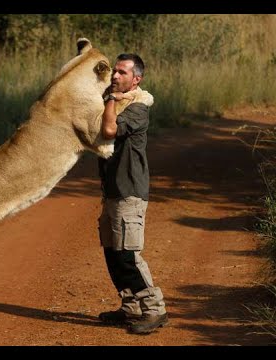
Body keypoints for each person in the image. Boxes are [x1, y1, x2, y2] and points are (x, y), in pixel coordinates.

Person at [97, 53, 168, 334]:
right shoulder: (114, 100)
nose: (115, 76)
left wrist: (111, 99)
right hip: (112, 191)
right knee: (113, 253)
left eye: (122, 73)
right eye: (114, 71)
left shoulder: (138, 108)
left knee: (127, 255)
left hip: (130, 192)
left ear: (136, 79)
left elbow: (108, 128)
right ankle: (131, 307)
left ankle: (155, 309)